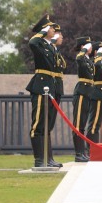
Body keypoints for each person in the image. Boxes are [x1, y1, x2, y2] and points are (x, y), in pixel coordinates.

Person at [25, 14, 57, 167]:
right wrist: (42, 32)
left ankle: (47, 159)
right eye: (50, 27)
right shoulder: (38, 43)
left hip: (50, 85)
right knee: (38, 124)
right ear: (44, 29)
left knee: (46, 124)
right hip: (40, 84)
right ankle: (39, 160)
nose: (53, 30)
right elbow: (32, 41)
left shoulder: (49, 46)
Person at [86, 41, 102, 158]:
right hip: (97, 94)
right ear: (96, 52)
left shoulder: (101, 64)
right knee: (94, 124)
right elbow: (97, 66)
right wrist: (98, 57)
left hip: (101, 94)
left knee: (96, 123)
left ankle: (92, 148)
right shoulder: (95, 63)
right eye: (101, 50)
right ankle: (91, 149)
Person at [72, 36, 93, 162]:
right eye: (88, 45)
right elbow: (78, 58)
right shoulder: (81, 57)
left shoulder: (88, 60)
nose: (90, 47)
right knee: (78, 124)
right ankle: (78, 153)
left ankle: (83, 153)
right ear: (83, 47)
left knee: (83, 125)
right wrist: (83, 50)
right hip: (81, 92)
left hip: (88, 93)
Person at [47, 23, 66, 168]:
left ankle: (49, 158)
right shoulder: (49, 50)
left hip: (56, 89)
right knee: (47, 124)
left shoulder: (56, 51)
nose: (62, 38)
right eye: (60, 35)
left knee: (50, 124)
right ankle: (47, 158)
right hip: (50, 88)